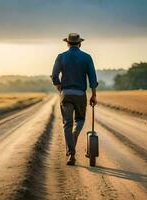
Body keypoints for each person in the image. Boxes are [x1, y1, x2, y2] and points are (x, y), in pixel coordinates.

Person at [51, 33, 98, 165]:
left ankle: (71, 154)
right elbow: (92, 78)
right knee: (80, 120)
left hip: (66, 94)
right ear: (80, 43)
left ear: (67, 43)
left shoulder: (61, 57)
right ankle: (75, 135)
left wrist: (60, 87)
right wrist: (93, 94)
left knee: (67, 123)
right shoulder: (87, 57)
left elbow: (54, 76)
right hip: (80, 94)